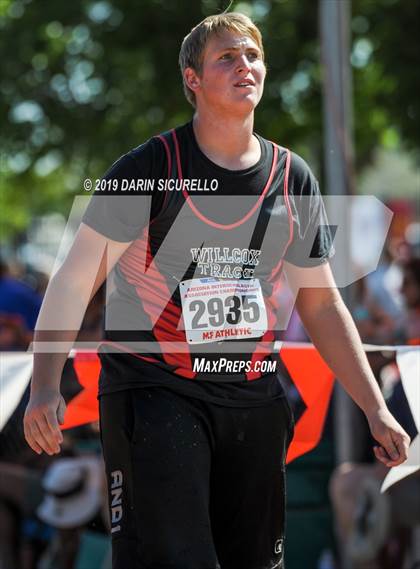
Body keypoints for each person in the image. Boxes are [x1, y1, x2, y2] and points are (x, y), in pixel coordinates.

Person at [23, 12, 410, 569]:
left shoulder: (292, 176)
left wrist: (375, 408)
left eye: (252, 56)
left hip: (252, 397)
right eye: (226, 57)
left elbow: (322, 304)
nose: (244, 66)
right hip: (154, 391)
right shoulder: (149, 167)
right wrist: (43, 385)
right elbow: (75, 278)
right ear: (192, 79)